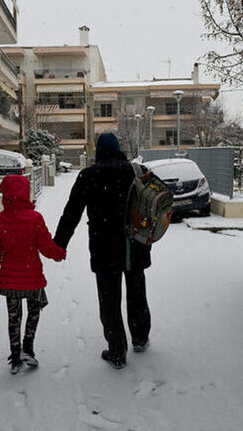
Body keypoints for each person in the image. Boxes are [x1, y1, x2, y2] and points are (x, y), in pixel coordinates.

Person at [54, 133, 152, 370]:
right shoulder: (137, 171)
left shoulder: (89, 176)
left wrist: (59, 244)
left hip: (104, 246)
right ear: (118, 149)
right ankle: (140, 338)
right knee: (136, 292)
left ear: (98, 151)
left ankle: (117, 352)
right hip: (135, 245)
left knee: (109, 299)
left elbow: (72, 212)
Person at [0, 175, 66, 374]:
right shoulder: (35, 218)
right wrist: (59, 254)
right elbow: (46, 246)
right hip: (33, 278)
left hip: (10, 280)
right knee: (34, 312)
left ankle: (15, 355)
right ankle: (28, 348)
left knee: (14, 318)